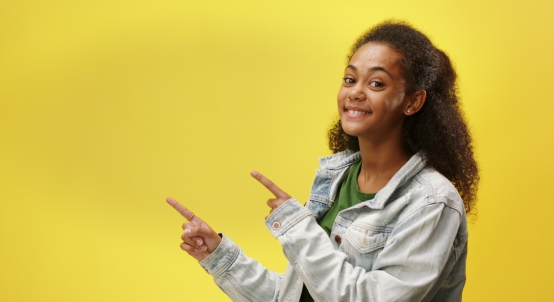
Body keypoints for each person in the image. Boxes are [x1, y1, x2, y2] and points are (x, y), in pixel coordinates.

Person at [166, 20, 479, 301]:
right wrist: (220, 256)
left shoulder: (432, 202)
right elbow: (296, 295)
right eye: (349, 79)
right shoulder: (335, 180)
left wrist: (299, 230)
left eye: (376, 83)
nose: (355, 92)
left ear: (412, 101)